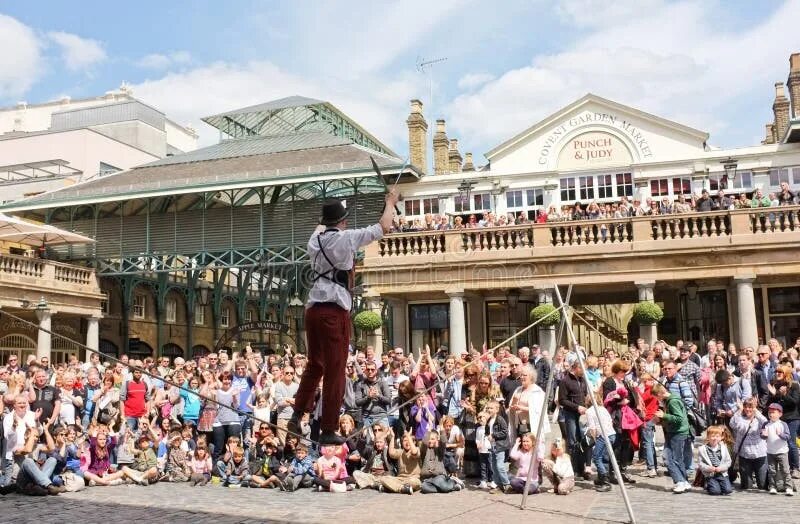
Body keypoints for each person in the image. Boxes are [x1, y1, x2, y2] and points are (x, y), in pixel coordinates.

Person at [288, 189, 399, 445]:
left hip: (312, 309)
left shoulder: (314, 240)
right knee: (336, 369)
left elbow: (322, 224)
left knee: (315, 365)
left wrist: (332, 210)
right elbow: (383, 226)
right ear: (343, 221)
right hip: (333, 311)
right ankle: (328, 427)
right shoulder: (346, 238)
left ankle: (297, 413)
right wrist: (389, 201)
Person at [652, 383, 692, 493]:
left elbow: (679, 418)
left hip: (677, 433)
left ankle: (679, 481)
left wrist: (664, 416)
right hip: (675, 432)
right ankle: (684, 482)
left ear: (660, 393)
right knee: (677, 458)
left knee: (668, 458)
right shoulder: (671, 399)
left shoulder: (672, 401)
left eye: (657, 397)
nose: (657, 400)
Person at [762, 403, 795, 495]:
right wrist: (764, 435)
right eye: (769, 412)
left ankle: (789, 487)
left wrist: (780, 434)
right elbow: (762, 436)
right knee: (772, 470)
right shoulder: (766, 424)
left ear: (780, 414)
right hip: (770, 451)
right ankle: (772, 486)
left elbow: (788, 437)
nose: (771, 414)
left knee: (785, 470)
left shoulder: (783, 424)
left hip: (782, 451)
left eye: (773, 412)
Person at [697, 425, 733, 495]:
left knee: (727, 490)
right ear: (708, 437)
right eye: (712, 436)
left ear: (720, 438)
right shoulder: (702, 449)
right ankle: (709, 485)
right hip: (711, 474)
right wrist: (708, 468)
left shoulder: (723, 448)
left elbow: (728, 461)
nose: (715, 438)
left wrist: (721, 468)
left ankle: (718, 485)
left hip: (722, 473)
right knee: (715, 492)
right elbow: (700, 463)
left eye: (717, 436)